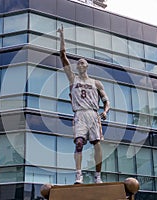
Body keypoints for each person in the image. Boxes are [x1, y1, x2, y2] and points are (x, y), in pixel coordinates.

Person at [57, 25, 110, 184]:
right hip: (79, 114)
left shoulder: (96, 83)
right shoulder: (73, 79)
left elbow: (106, 101)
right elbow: (62, 56)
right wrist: (61, 37)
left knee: (97, 144)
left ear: (86, 66)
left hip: (93, 114)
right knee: (79, 143)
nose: (79, 65)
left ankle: (98, 176)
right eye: (77, 63)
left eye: (81, 63)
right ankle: (78, 175)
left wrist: (105, 111)